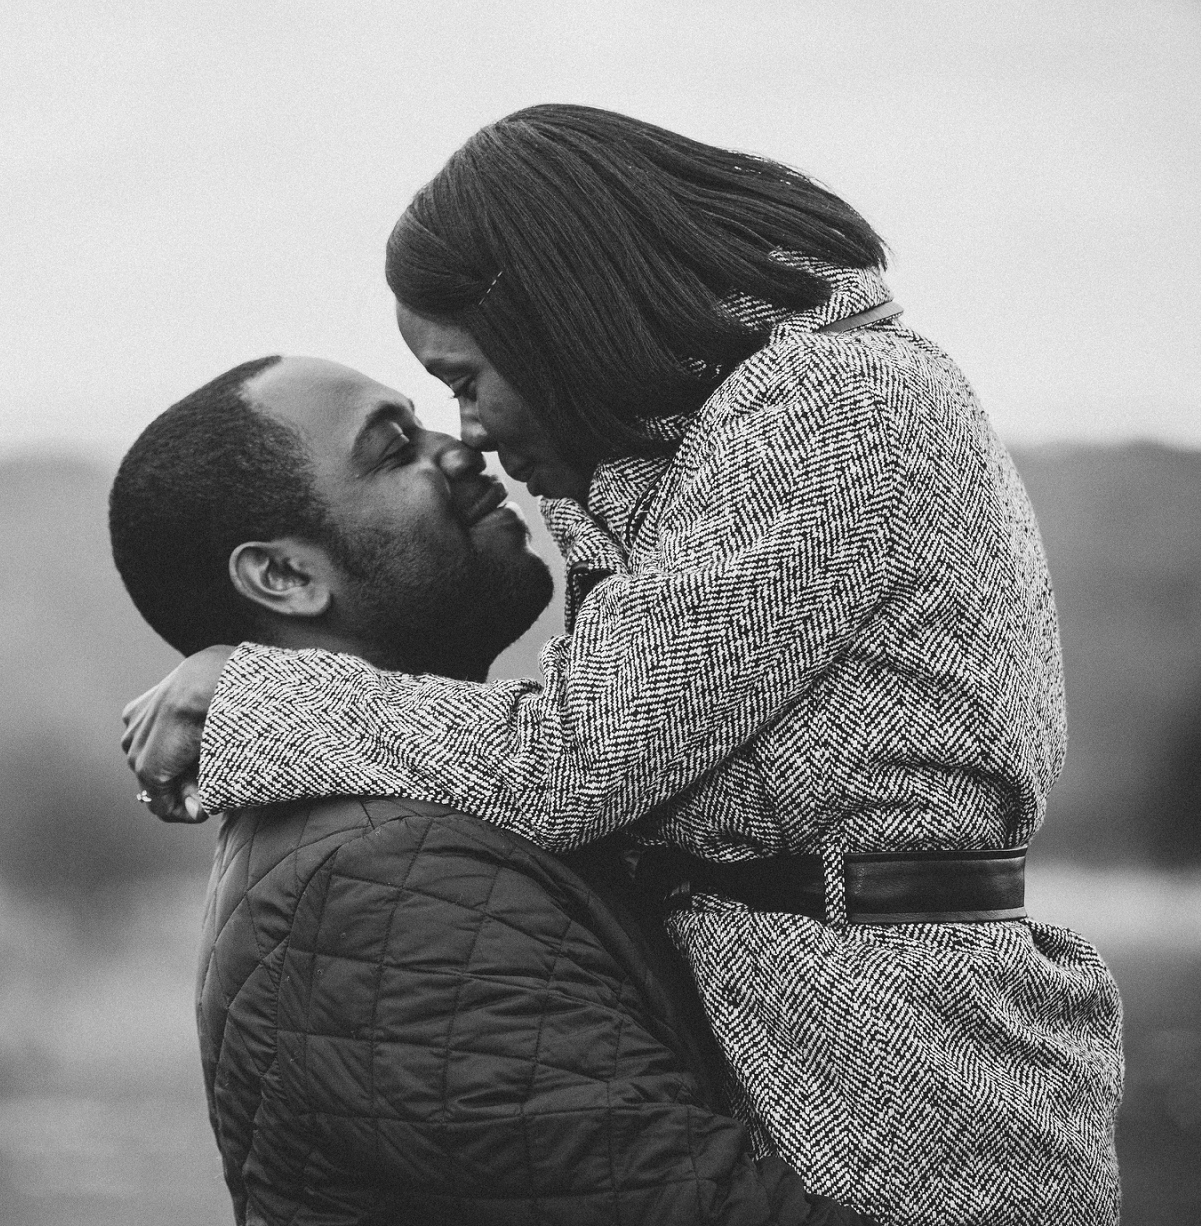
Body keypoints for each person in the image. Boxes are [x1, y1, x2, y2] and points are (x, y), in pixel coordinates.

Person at [122, 109, 1125, 1225]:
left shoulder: (828, 408)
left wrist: (257, 690)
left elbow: (572, 758)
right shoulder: (727, 436)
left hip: (905, 1074)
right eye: (411, 429)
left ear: (556, 323)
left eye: (463, 380)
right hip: (846, 1054)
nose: (470, 434)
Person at [108, 354, 875, 1226]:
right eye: (395, 449)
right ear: (284, 576)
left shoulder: (427, 819)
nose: (465, 446)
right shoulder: (384, 884)